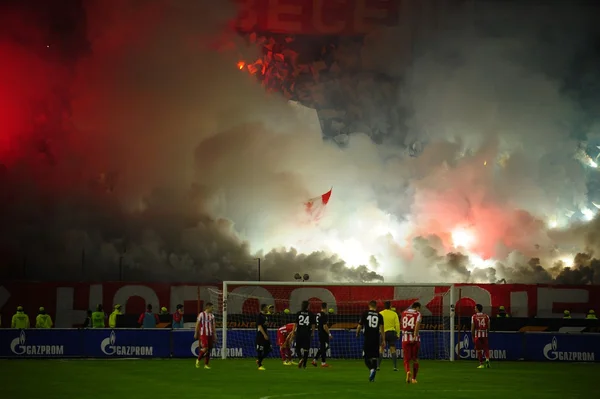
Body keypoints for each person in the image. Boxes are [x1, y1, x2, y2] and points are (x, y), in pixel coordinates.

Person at [356, 300, 384, 382]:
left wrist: (357, 333)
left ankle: (371, 369)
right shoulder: (380, 315)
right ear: (376, 306)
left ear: (369, 306)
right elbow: (382, 329)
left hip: (367, 337)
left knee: (366, 357)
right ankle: (373, 378)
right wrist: (383, 340)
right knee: (374, 357)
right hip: (376, 338)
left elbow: (359, 325)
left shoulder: (365, 313)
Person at [401, 302, 422, 384]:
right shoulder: (418, 314)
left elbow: (402, 324)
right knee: (415, 359)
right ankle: (414, 379)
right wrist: (414, 335)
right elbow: (417, 325)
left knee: (406, 359)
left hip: (405, 337)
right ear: (417, 308)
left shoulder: (404, 313)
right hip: (415, 338)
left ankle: (408, 371)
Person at [378, 300, 400, 371]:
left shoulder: (380, 313)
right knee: (393, 349)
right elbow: (397, 325)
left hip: (383, 333)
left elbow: (378, 324)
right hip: (391, 333)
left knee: (381, 349)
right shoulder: (394, 314)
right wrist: (398, 333)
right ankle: (395, 367)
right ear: (390, 306)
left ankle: (378, 366)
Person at [195, 302, 216, 369]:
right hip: (203, 334)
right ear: (208, 307)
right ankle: (198, 360)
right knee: (205, 348)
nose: (213, 308)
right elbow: (197, 324)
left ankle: (206, 365)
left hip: (210, 334)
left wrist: (215, 334)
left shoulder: (212, 316)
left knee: (209, 349)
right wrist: (196, 332)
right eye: (212, 307)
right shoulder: (201, 314)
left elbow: (213, 326)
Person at [312, 302, 332, 368]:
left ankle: (315, 360)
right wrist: (329, 334)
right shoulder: (324, 315)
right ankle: (323, 363)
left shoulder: (317, 314)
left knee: (323, 347)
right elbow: (324, 326)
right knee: (324, 347)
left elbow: (315, 324)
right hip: (323, 333)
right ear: (326, 307)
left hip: (319, 332)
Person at [471, 303, 491, 369]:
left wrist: (473, 336)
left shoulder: (474, 316)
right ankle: (487, 360)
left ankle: (481, 364)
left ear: (477, 309)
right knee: (486, 348)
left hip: (478, 334)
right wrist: (486, 333)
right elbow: (488, 327)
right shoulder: (486, 316)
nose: (474, 309)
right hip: (484, 333)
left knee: (478, 349)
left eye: (475, 308)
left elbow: (472, 328)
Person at [256, 304, 272, 371]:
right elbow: (259, 326)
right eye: (266, 308)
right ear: (264, 308)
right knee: (260, 350)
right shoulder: (259, 316)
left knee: (269, 349)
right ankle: (260, 365)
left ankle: (259, 360)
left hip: (265, 335)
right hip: (260, 335)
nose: (267, 309)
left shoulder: (265, 317)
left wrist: (266, 334)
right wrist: (264, 335)